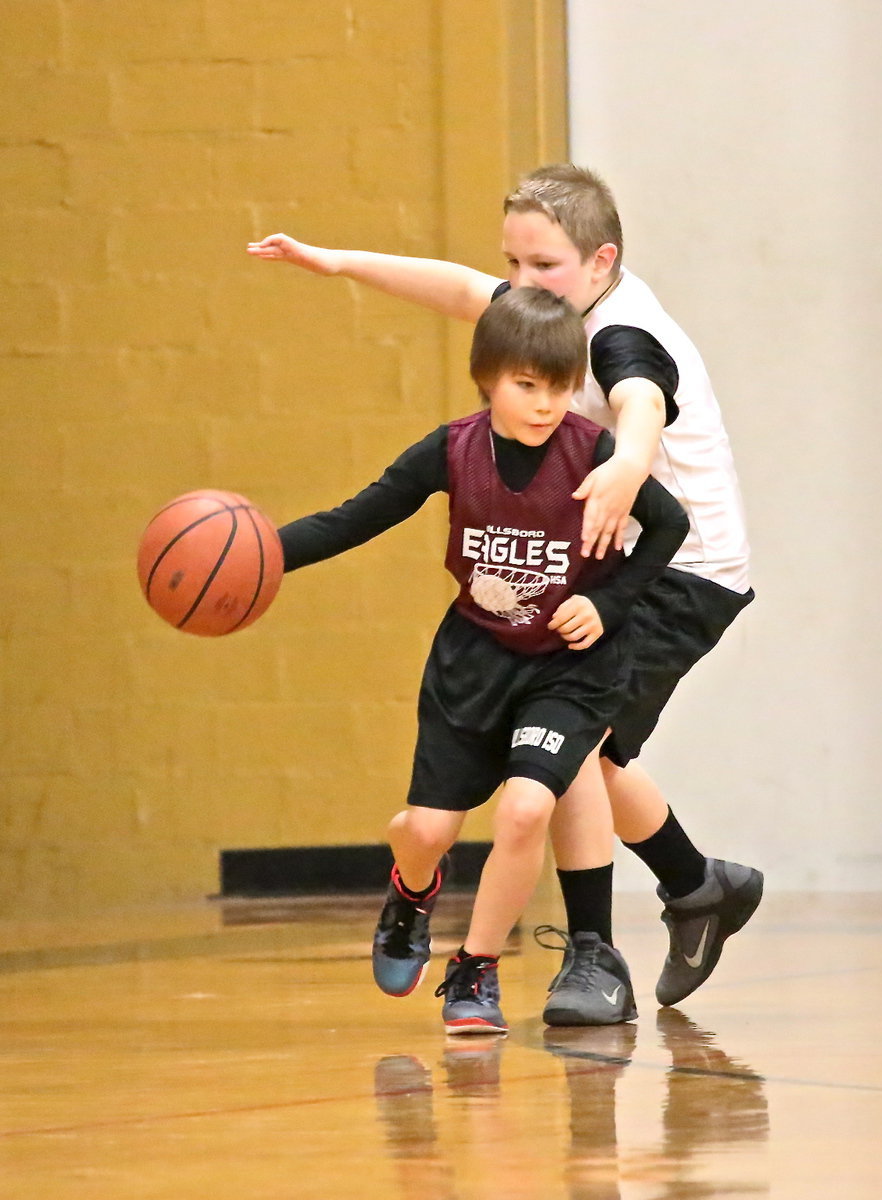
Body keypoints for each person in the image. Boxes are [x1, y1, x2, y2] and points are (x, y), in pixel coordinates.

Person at [248, 163, 763, 1017]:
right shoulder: (551, 315)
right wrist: (335, 262)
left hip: (680, 568)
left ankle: (598, 956)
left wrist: (629, 462)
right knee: (587, 751)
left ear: (601, 263)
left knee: (570, 757)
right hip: (607, 557)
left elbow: (639, 397)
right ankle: (698, 887)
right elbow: (457, 287)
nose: (522, 285)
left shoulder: (621, 332)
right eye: (513, 264)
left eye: (543, 268)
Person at [276, 287, 689, 1033]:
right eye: (527, 385)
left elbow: (669, 526)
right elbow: (354, 518)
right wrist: (265, 555)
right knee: (426, 831)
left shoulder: (592, 452)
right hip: (474, 661)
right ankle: (411, 887)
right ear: (487, 377)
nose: (544, 403)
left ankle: (474, 970)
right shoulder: (451, 449)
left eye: (560, 388)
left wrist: (609, 602)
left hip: (568, 667)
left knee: (527, 808)